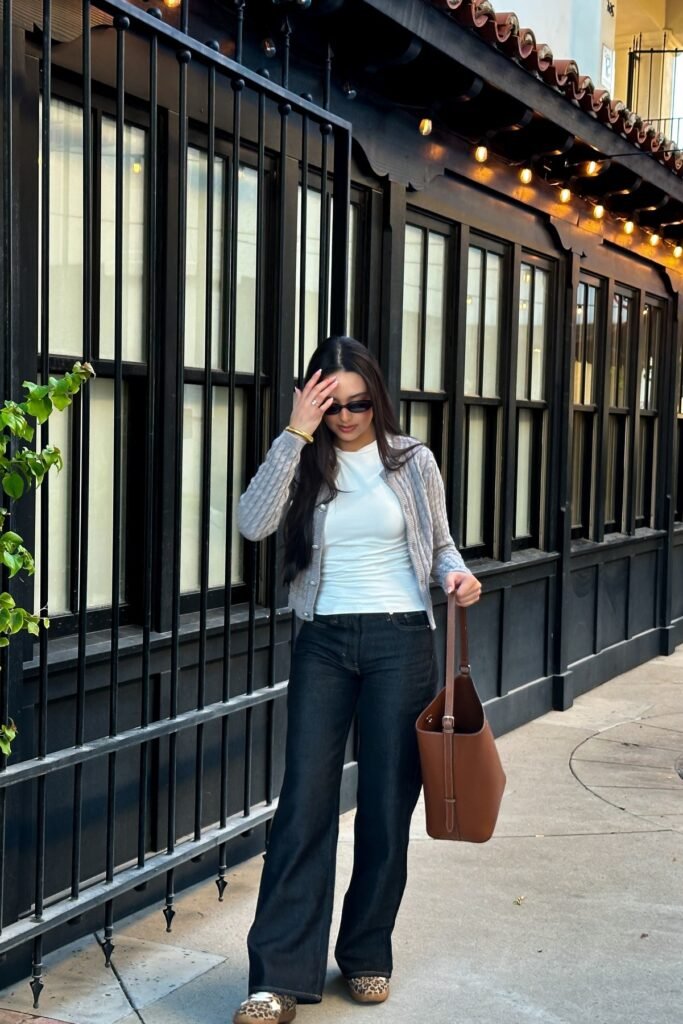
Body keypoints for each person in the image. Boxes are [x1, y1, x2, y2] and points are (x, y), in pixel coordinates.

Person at [233, 336, 481, 1024]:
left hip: (401, 643)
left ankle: (367, 952)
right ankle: (277, 977)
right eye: (331, 404)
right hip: (323, 643)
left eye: (359, 403)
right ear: (313, 400)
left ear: (379, 395)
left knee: (383, 806)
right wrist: (293, 432)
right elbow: (252, 525)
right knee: (303, 804)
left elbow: (438, 546)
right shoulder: (303, 461)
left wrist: (455, 575)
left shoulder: (412, 461)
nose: (346, 417)